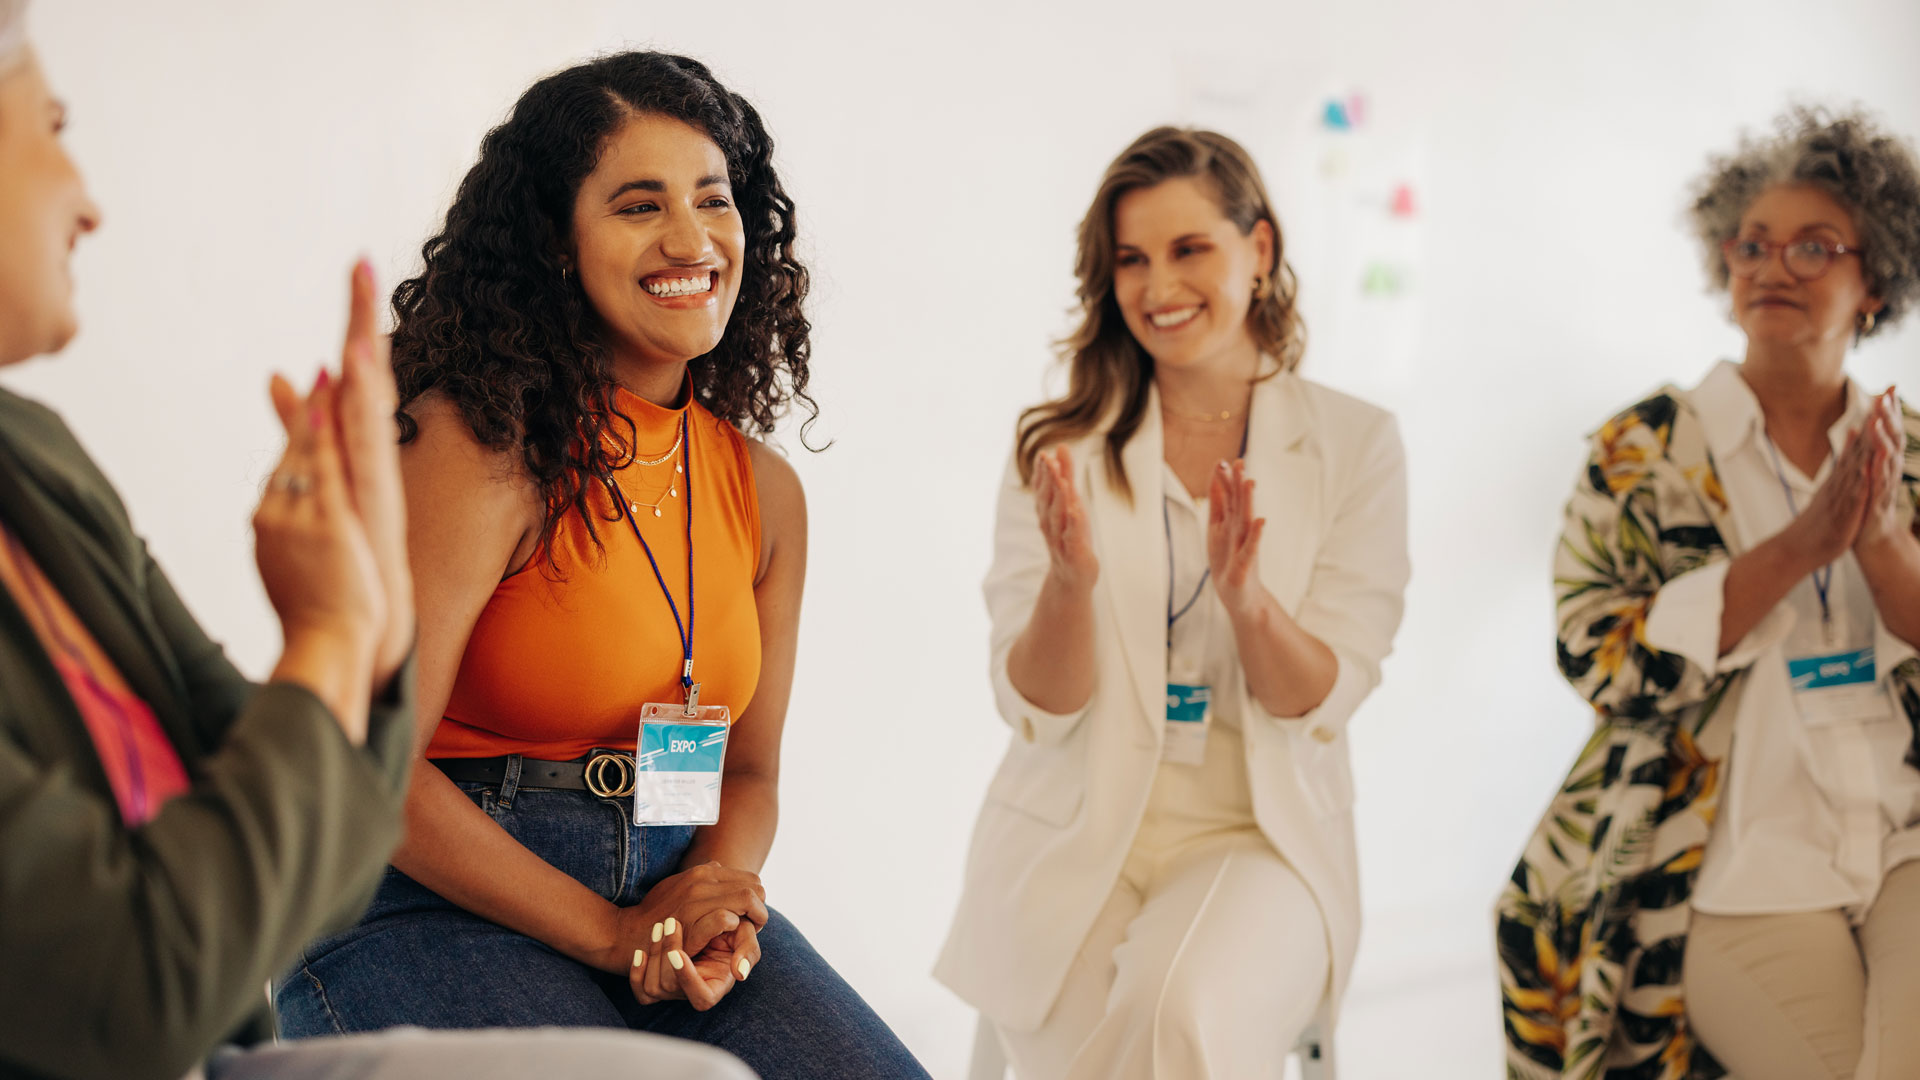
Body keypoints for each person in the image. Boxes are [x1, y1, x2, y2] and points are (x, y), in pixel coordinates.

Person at [0, 6, 752, 1079]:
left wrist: (363, 630)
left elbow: (306, 795)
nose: (87, 201)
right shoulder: (485, 445)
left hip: (217, 1010)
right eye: (54, 129)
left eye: (712, 198)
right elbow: (137, 994)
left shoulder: (34, 456)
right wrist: (326, 641)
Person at [272, 50, 927, 1080]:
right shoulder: (478, 447)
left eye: (714, 200)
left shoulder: (763, 493)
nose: (689, 238)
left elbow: (748, 772)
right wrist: (611, 935)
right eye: (637, 204)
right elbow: (374, 775)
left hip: (663, 895)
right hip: (425, 901)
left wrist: (704, 909)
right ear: (554, 244)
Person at [935, 126, 1411, 1079]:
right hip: (1077, 828)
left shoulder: (1358, 444)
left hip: (1257, 832)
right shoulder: (1059, 446)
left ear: (1260, 250)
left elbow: (1324, 696)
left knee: (1176, 1016)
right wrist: (1070, 589)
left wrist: (1250, 603)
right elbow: (1036, 704)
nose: (1159, 288)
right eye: (1132, 261)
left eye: (1190, 249)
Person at [1500, 106, 1920, 1080]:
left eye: (1815, 247)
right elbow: (1595, 655)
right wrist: (1797, 547)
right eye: (1753, 244)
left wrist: (1881, 539)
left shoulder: (1908, 453)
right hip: (1738, 861)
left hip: (1903, 838)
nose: (1774, 266)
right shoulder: (1639, 453)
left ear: (1876, 283)